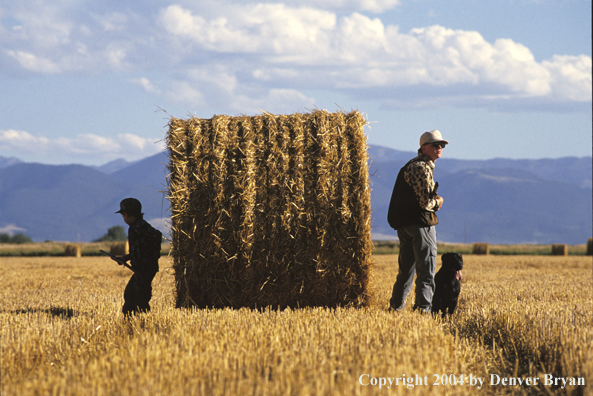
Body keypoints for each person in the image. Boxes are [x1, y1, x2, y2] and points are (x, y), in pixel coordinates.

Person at [387, 130, 448, 313]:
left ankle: (395, 307)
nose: (439, 148)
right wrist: (439, 202)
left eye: (442, 145)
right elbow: (425, 203)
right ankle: (424, 309)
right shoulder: (422, 167)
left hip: (404, 225)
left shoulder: (410, 165)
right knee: (426, 270)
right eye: (435, 145)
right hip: (421, 225)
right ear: (423, 147)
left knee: (406, 270)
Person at [113, 198, 162, 315]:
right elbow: (140, 248)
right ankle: (132, 319)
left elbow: (156, 235)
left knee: (140, 297)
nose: (123, 218)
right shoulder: (137, 226)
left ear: (126, 214)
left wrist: (151, 256)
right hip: (142, 269)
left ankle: (141, 321)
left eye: (123, 215)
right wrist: (126, 258)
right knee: (130, 294)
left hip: (145, 269)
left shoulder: (139, 226)